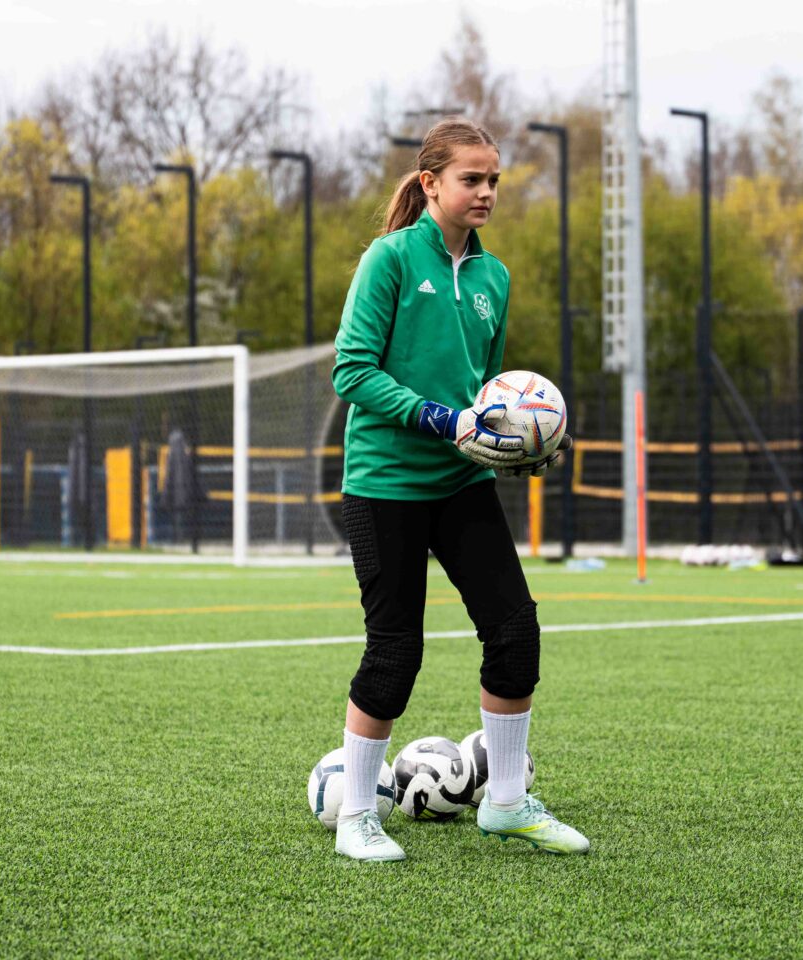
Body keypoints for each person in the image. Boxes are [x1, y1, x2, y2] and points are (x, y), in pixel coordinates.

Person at [330, 117, 588, 861]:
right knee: (394, 654)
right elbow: (352, 371)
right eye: (471, 179)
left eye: (493, 180)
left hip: (461, 483)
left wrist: (521, 444)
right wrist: (439, 418)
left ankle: (505, 804)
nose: (486, 192)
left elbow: (488, 390)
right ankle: (356, 817)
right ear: (430, 183)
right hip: (385, 484)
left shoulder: (493, 277)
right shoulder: (389, 259)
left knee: (515, 633)